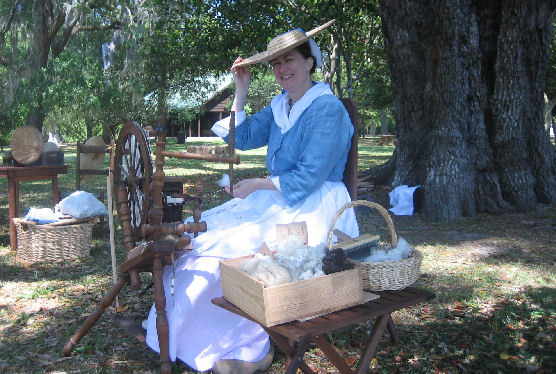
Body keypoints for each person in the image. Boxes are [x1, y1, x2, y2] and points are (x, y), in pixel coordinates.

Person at [144, 19, 359, 374]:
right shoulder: (280, 106)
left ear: (310, 62)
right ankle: (182, 336)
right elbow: (239, 138)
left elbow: (309, 177)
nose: (281, 69)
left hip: (316, 205)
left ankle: (248, 348)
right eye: (276, 63)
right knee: (204, 234)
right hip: (280, 197)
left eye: (289, 60)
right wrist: (240, 89)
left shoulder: (327, 109)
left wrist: (259, 185)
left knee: (237, 251)